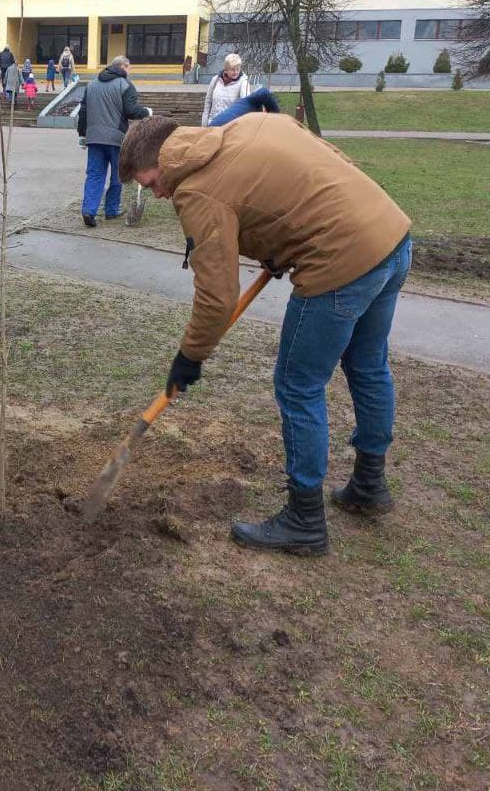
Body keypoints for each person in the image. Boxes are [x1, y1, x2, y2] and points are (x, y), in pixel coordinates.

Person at [118, 113, 413, 557]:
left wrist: (190, 357)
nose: (157, 194)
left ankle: (304, 520)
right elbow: (324, 167)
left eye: (153, 181)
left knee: (298, 386)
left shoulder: (196, 191)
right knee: (368, 366)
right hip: (390, 235)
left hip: (341, 260)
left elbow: (217, 297)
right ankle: (369, 484)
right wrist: (280, 244)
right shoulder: (252, 125)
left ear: (164, 158)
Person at [75, 55, 151, 227]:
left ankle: (89, 210)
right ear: (124, 67)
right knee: (117, 175)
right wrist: (146, 112)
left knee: (94, 174)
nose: (129, 71)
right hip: (117, 139)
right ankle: (111, 210)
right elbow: (131, 111)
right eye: (129, 67)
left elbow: (83, 112)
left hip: (94, 138)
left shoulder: (92, 84)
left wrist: (82, 134)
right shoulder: (125, 85)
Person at [201, 53, 250, 126]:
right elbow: (208, 101)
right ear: (226, 69)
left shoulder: (243, 83)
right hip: (212, 124)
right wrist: (204, 122)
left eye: (237, 69)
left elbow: (245, 105)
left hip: (230, 126)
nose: (236, 72)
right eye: (232, 70)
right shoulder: (215, 80)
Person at [208, 87, 280, 127]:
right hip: (223, 127)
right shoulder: (252, 101)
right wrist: (275, 113)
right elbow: (264, 92)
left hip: (214, 126)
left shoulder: (244, 105)